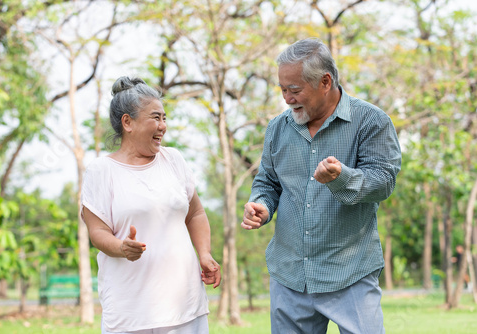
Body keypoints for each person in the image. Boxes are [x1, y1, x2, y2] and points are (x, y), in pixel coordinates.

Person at [241, 38, 402, 334]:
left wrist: (342, 178)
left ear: (325, 81)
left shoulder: (371, 121)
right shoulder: (278, 128)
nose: (287, 98)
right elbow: (267, 182)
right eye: (282, 89)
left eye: (294, 89)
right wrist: (261, 205)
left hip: (350, 274)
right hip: (290, 276)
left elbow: (384, 181)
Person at [81, 76, 221, 334]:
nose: (163, 126)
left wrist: (204, 253)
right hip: (131, 314)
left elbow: (196, 213)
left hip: (185, 308)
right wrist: (121, 247)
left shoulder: (174, 160)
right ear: (128, 122)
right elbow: (97, 233)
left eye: (164, 118)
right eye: (155, 118)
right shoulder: (101, 171)